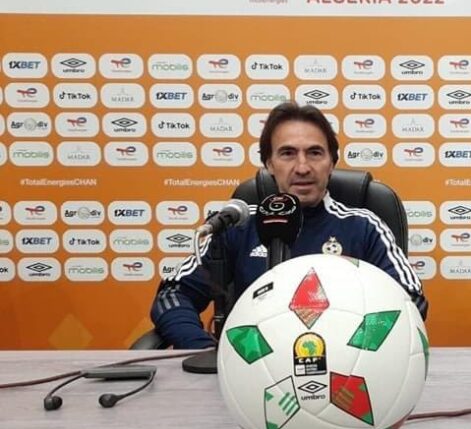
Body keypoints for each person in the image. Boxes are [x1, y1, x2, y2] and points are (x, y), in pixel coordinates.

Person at [151, 102, 427, 349]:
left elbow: (410, 300)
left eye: (315, 153)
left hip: (345, 369)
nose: (302, 167)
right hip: (253, 369)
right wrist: (210, 354)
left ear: (332, 163)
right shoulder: (237, 226)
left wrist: (357, 351)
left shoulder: (364, 226)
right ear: (269, 164)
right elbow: (172, 296)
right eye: (288, 154)